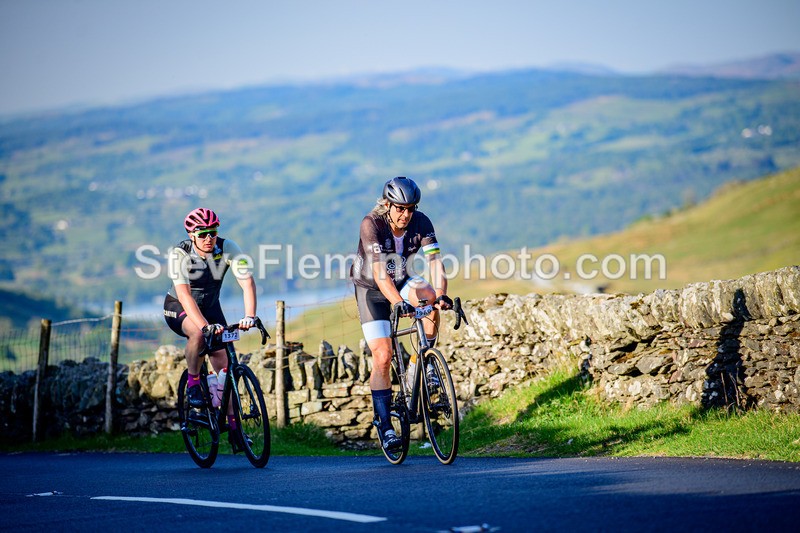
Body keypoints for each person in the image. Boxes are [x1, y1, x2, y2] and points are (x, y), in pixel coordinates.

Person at [351, 177, 452, 451]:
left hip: (402, 279)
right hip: (371, 289)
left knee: (429, 297)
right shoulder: (371, 224)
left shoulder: (422, 222)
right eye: (399, 208)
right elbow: (380, 274)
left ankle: (419, 365)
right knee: (383, 356)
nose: (406, 214)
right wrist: (398, 303)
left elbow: (435, 262)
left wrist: (441, 294)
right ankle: (384, 426)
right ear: (387, 204)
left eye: (410, 208)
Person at [163, 207, 257, 452]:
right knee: (196, 334)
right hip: (179, 307)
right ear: (192, 235)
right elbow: (184, 295)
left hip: (211, 307)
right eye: (203, 233)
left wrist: (250, 316)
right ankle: (194, 382)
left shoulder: (229, 247)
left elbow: (246, 282)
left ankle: (235, 429)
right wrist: (205, 327)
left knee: (226, 371)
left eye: (212, 233)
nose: (209, 238)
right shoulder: (179, 254)